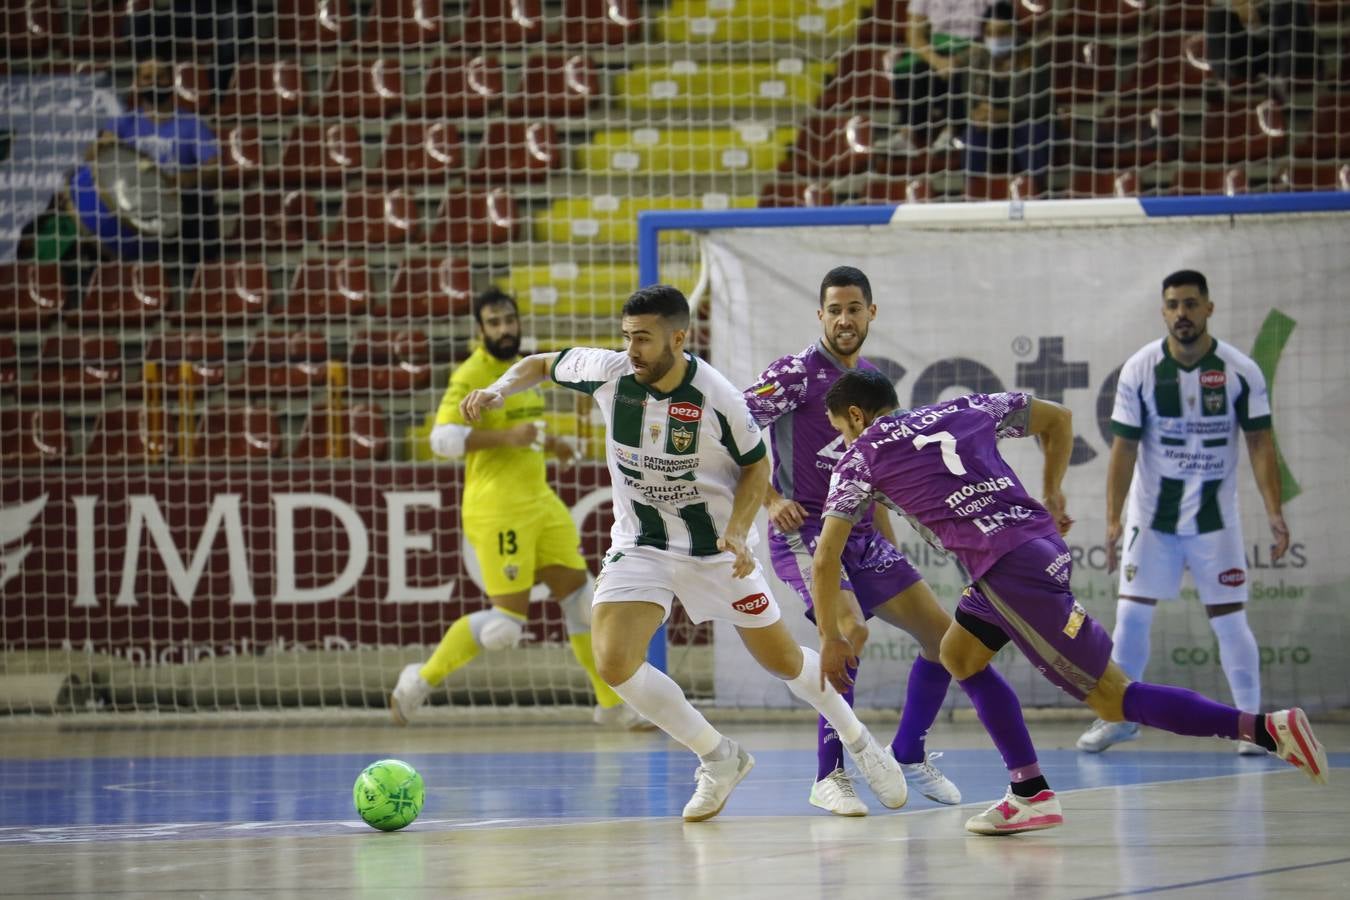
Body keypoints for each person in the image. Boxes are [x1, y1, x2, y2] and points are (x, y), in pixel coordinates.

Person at [460, 285, 912, 822]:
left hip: (714, 549)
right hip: (641, 543)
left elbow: (756, 468)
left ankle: (859, 741)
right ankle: (719, 757)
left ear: (679, 337)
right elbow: (538, 364)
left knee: (784, 662)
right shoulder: (609, 371)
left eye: (644, 339)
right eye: (628, 337)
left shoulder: (720, 396)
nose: (632, 350)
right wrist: (497, 389)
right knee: (614, 661)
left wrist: (740, 532)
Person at [812, 370, 1329, 834]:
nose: (843, 437)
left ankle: (1265, 729)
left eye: (840, 427)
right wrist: (1053, 493)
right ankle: (1029, 790)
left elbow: (825, 556)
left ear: (856, 415)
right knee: (958, 653)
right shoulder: (965, 407)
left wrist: (831, 637)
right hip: (1034, 549)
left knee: (1113, 698)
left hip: (1008, 572)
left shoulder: (860, 458)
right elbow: (1058, 420)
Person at [743, 266, 962, 816]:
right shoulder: (794, 374)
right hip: (804, 534)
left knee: (947, 641)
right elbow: (731, 436)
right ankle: (830, 774)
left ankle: (909, 751)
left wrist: (892, 544)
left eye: (854, 308)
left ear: (871, 313)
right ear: (820, 315)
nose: (845, 319)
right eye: (834, 309)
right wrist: (771, 500)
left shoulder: (873, 384)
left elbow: (879, 472)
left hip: (861, 533)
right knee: (851, 630)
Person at [390, 288, 649, 730]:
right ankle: (417, 681)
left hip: (540, 503)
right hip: (497, 508)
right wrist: (506, 439)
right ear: (479, 329)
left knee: (583, 601)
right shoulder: (471, 374)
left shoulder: (523, 371)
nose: (505, 329)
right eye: (494, 322)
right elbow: (442, 440)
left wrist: (548, 442)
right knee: (504, 628)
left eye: (509, 319)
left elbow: (522, 428)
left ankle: (611, 708)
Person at [1078, 270, 1290, 756]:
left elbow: (1260, 443)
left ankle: (1253, 728)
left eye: (1191, 304)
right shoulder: (1141, 369)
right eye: (1172, 305)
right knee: (1130, 620)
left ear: (1209, 308)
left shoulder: (1240, 371)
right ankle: (1118, 718)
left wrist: (1274, 512)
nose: (1182, 314)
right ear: (1163, 312)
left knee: (1230, 620)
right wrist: (1113, 521)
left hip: (1216, 521)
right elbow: (1123, 450)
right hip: (1152, 520)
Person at [962, 1, 1056, 190]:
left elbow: (1039, 106)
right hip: (991, 129)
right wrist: (978, 114)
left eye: (1002, 32)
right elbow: (968, 102)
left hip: (1027, 125)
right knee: (972, 137)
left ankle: (1035, 191)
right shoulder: (977, 58)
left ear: (1014, 31)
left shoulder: (1034, 57)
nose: (995, 38)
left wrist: (1003, 115)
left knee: (1031, 132)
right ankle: (972, 194)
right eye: (990, 33)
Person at [890, 0, 987, 151]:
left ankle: (952, 132)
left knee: (962, 71)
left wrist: (960, 58)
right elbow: (914, 35)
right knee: (917, 70)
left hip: (974, 48)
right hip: (936, 50)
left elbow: (997, 25)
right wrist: (937, 61)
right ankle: (907, 134)